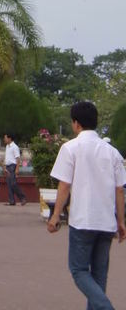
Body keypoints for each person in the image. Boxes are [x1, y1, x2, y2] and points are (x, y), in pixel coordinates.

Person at [47, 101, 126, 310]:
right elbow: (120, 190)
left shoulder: (70, 148)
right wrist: (121, 221)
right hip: (106, 222)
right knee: (99, 275)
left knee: (79, 270)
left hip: (82, 220)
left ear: (75, 123)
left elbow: (64, 185)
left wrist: (55, 216)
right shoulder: (112, 152)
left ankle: (105, 307)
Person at [3, 132, 27, 206]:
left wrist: (17, 169)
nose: (4, 139)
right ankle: (11, 201)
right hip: (8, 166)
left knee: (13, 184)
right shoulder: (7, 146)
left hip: (12, 166)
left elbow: (18, 159)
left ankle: (23, 198)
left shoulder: (14, 147)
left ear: (10, 138)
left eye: (5, 138)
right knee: (9, 184)